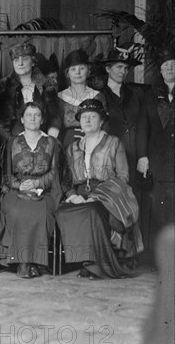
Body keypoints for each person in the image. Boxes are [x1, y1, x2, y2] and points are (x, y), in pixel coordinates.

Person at [56, 99, 143, 279]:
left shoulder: (113, 143)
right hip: (81, 194)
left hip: (108, 194)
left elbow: (123, 176)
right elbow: (66, 180)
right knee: (64, 211)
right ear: (79, 122)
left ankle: (96, 266)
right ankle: (84, 261)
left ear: (101, 120)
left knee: (92, 211)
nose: (87, 120)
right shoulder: (73, 148)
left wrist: (99, 195)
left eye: (92, 116)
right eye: (84, 117)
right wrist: (72, 196)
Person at [0, 102, 64, 278]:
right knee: (17, 210)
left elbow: (55, 173)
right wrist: (19, 185)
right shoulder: (11, 142)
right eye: (29, 115)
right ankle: (25, 262)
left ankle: (30, 262)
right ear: (22, 119)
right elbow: (5, 174)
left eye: (37, 115)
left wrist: (37, 183)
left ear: (42, 119)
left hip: (45, 190)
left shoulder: (52, 143)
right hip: (15, 190)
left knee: (41, 211)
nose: (33, 118)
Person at [136, 46, 175, 262]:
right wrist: (142, 156)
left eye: (173, 65)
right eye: (165, 65)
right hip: (158, 162)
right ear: (160, 70)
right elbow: (142, 127)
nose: (170, 68)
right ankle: (158, 258)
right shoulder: (151, 95)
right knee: (159, 209)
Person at [99, 45, 144, 187]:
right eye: (119, 67)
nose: (123, 72)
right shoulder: (99, 95)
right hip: (111, 157)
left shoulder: (136, 93)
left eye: (126, 68)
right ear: (108, 69)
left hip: (135, 156)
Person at [0, 42, 60, 142]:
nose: (20, 63)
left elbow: (54, 115)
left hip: (42, 139)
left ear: (33, 62)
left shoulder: (46, 85)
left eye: (25, 59)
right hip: (13, 140)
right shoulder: (4, 87)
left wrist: (51, 134)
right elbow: (3, 122)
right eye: (16, 60)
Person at [58, 49, 105, 147]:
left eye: (82, 68)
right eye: (73, 69)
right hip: (67, 145)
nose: (78, 73)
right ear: (67, 73)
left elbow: (104, 124)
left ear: (88, 70)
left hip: (94, 144)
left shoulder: (98, 97)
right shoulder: (60, 98)